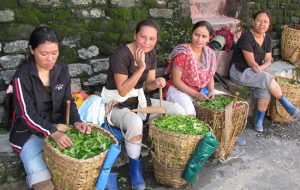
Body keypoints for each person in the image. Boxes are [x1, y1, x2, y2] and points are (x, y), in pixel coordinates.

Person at [101, 19, 184, 190]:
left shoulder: (151, 53)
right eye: (143, 37)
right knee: (135, 123)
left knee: (176, 111)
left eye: (152, 39)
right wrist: (140, 68)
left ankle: (164, 158)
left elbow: (149, 84)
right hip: (116, 104)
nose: (147, 43)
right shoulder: (121, 56)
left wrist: (158, 82)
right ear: (135, 35)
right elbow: (122, 91)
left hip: (139, 101)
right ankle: (135, 170)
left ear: (156, 40)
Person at [9, 27, 91, 190]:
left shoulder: (61, 70)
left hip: (59, 126)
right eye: (44, 53)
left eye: (54, 53)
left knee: (74, 173)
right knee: (44, 184)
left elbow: (68, 101)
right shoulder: (22, 77)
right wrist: (52, 132)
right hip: (29, 132)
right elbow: (26, 114)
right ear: (32, 50)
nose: (50, 59)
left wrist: (76, 121)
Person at [229, 10, 299, 133]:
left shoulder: (267, 38)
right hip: (239, 71)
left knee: (265, 85)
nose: (262, 24)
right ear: (253, 22)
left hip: (255, 71)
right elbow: (251, 64)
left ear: (269, 24)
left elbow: (267, 61)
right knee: (266, 78)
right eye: (259, 21)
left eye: (265, 22)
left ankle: (258, 121)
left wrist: (260, 69)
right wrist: (260, 69)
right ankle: (286, 104)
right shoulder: (247, 37)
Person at [164, 20, 217, 116]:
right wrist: (196, 95)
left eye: (204, 36)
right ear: (191, 34)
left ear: (209, 38)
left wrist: (211, 90)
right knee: (189, 113)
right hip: (179, 90)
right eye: (196, 35)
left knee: (223, 104)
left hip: (201, 89)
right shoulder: (183, 53)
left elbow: (210, 76)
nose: (199, 39)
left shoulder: (210, 54)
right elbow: (176, 81)